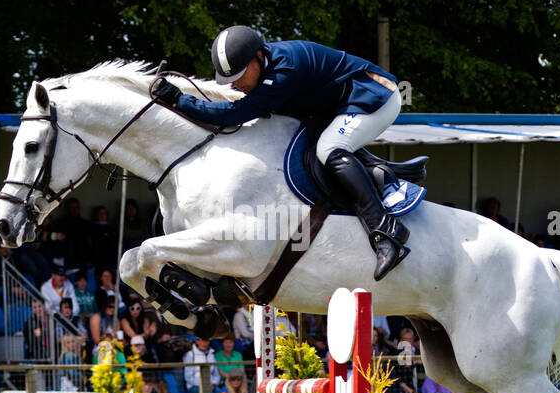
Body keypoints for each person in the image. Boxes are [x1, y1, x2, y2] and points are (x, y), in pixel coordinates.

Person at [150, 26, 409, 280]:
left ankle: (387, 233)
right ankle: (373, 172)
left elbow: (234, 115)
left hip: (374, 96)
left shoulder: (284, 72)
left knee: (329, 148)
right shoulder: (268, 70)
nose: (237, 84)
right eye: (231, 79)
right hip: (331, 105)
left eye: (240, 75)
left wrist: (179, 100)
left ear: (259, 57)